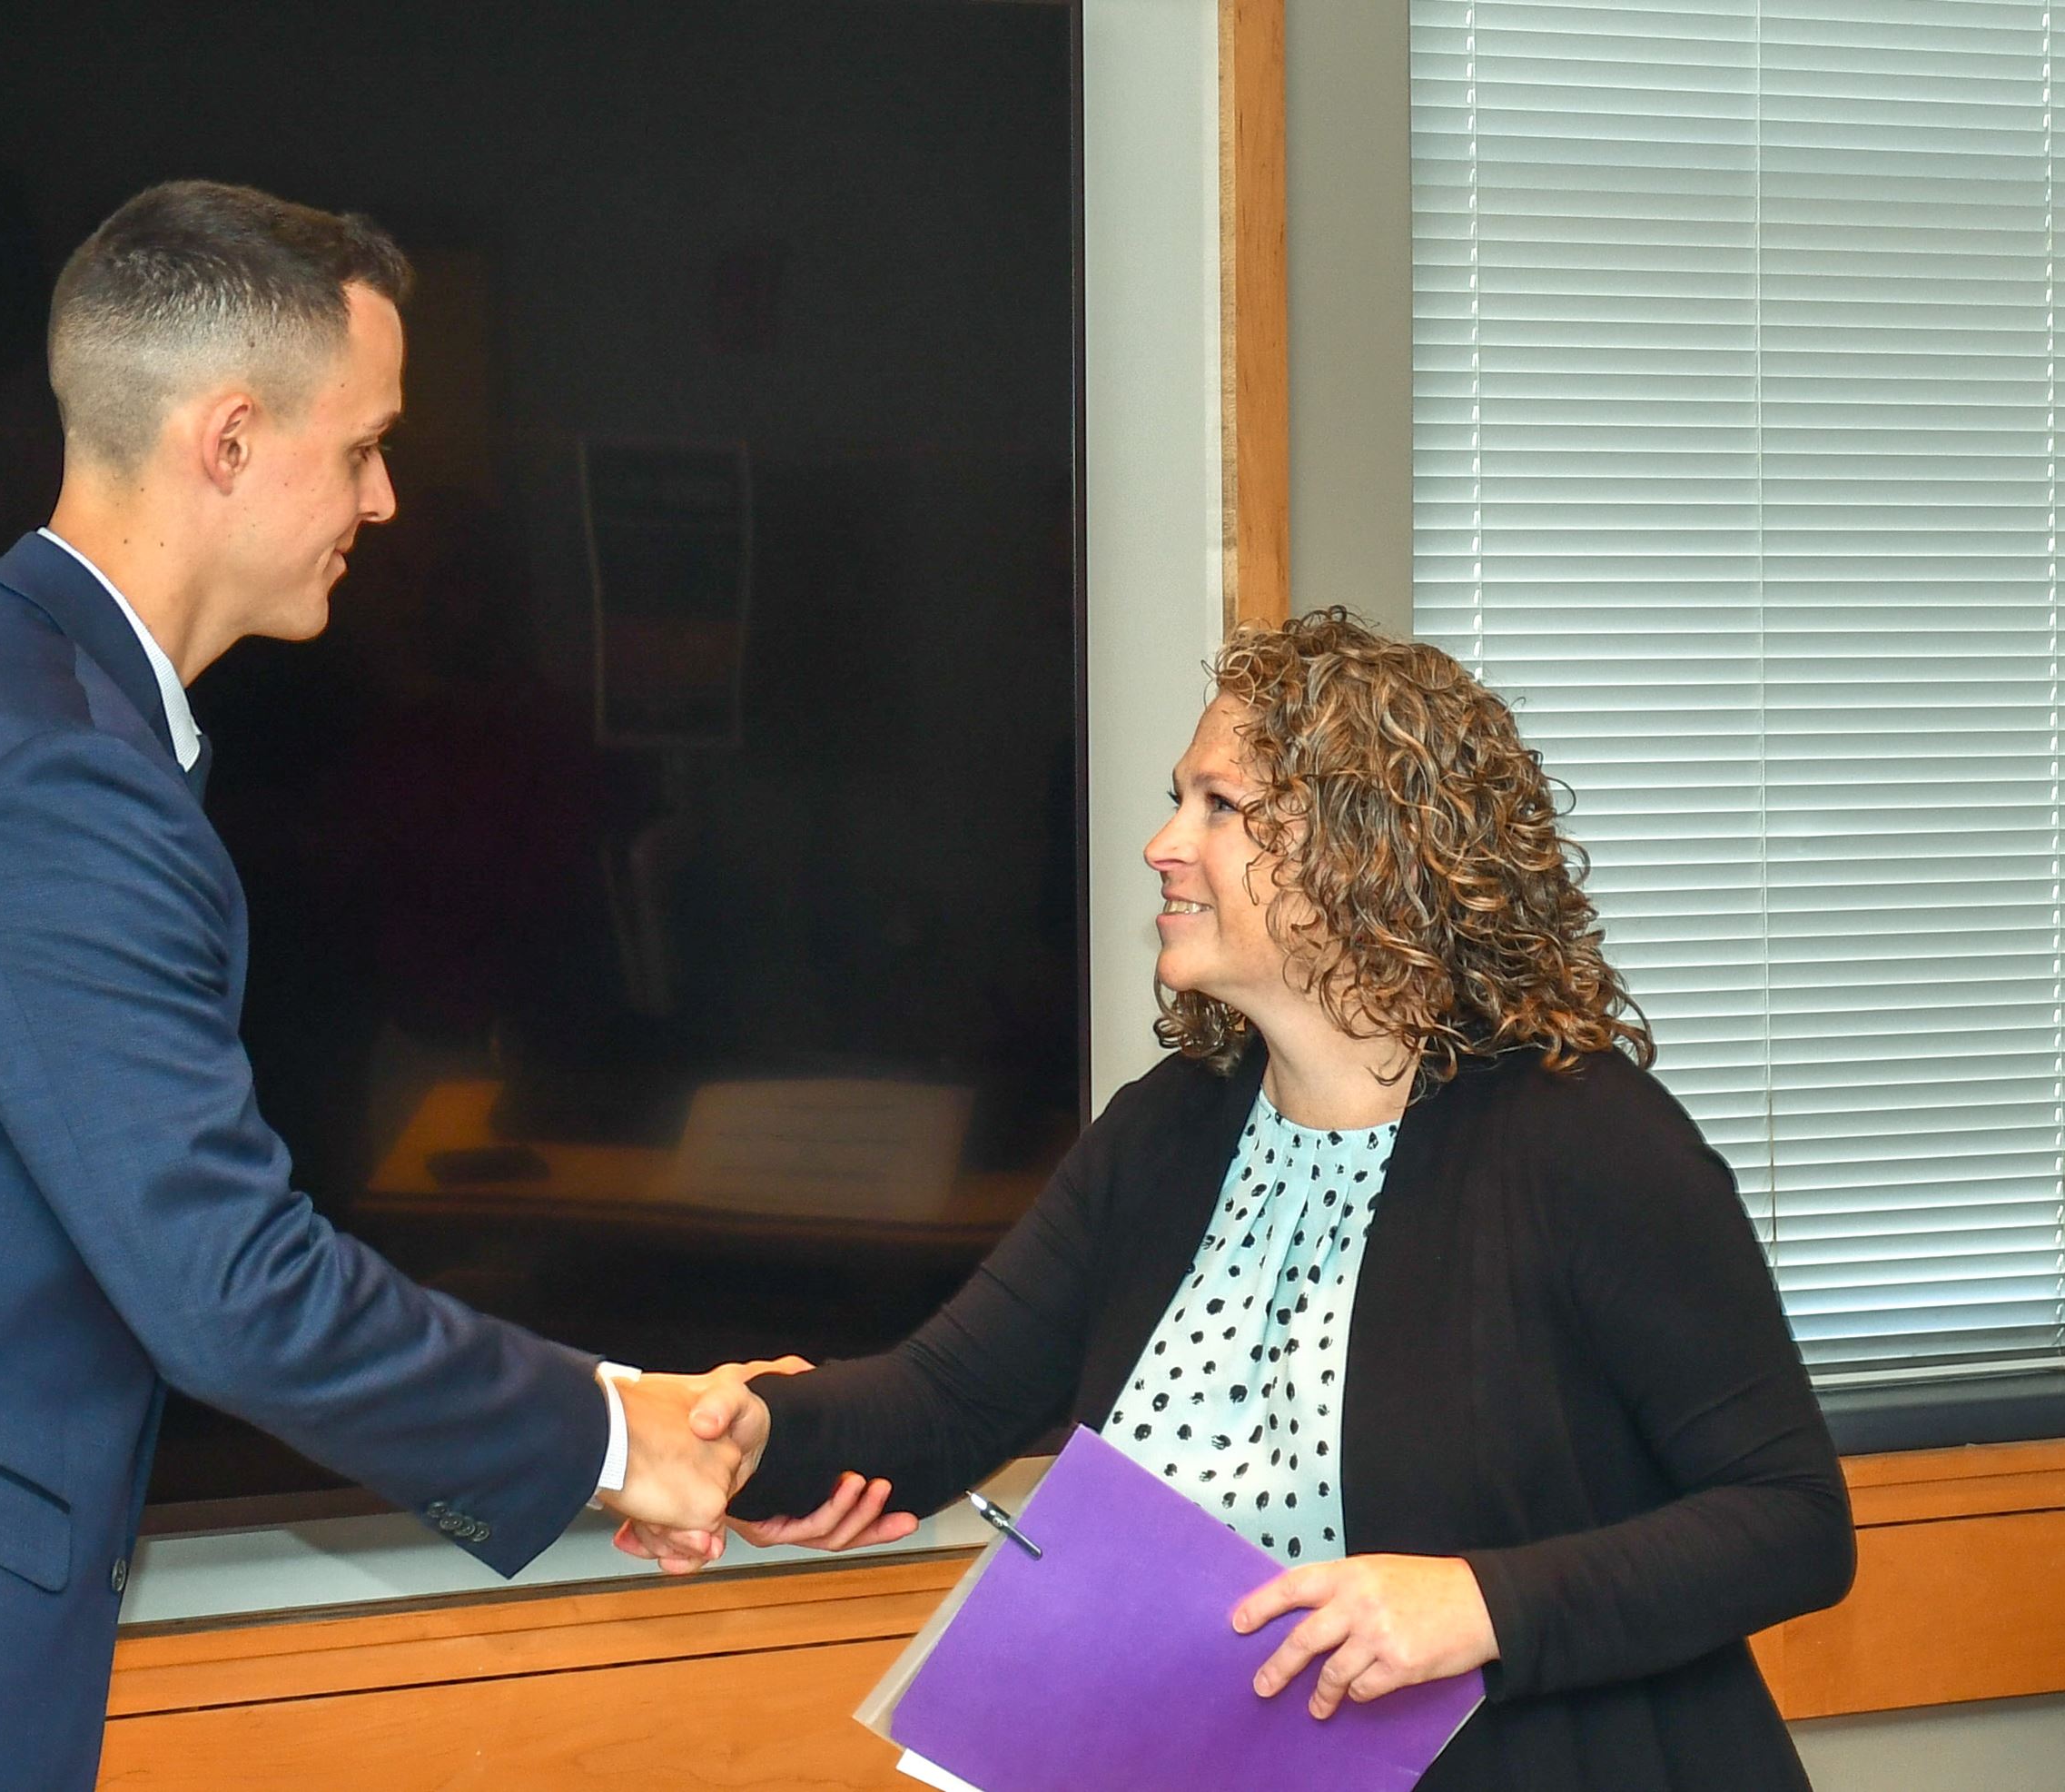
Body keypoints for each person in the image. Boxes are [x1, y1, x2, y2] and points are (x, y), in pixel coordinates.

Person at [0, 181, 746, 1792]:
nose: (388, 500)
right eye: (364, 446)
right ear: (232, 438)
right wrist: (619, 1436)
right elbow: (229, 1287)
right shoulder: (47, 775)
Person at [625, 610, 1857, 1790]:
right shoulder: (1169, 1130)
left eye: (1220, 805)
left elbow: (1790, 1518)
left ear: (1370, 850)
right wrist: (748, 1438)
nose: (1165, 842)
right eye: (1181, 799)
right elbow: (944, 1401)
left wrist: (1477, 1602)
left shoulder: (1586, 1143)